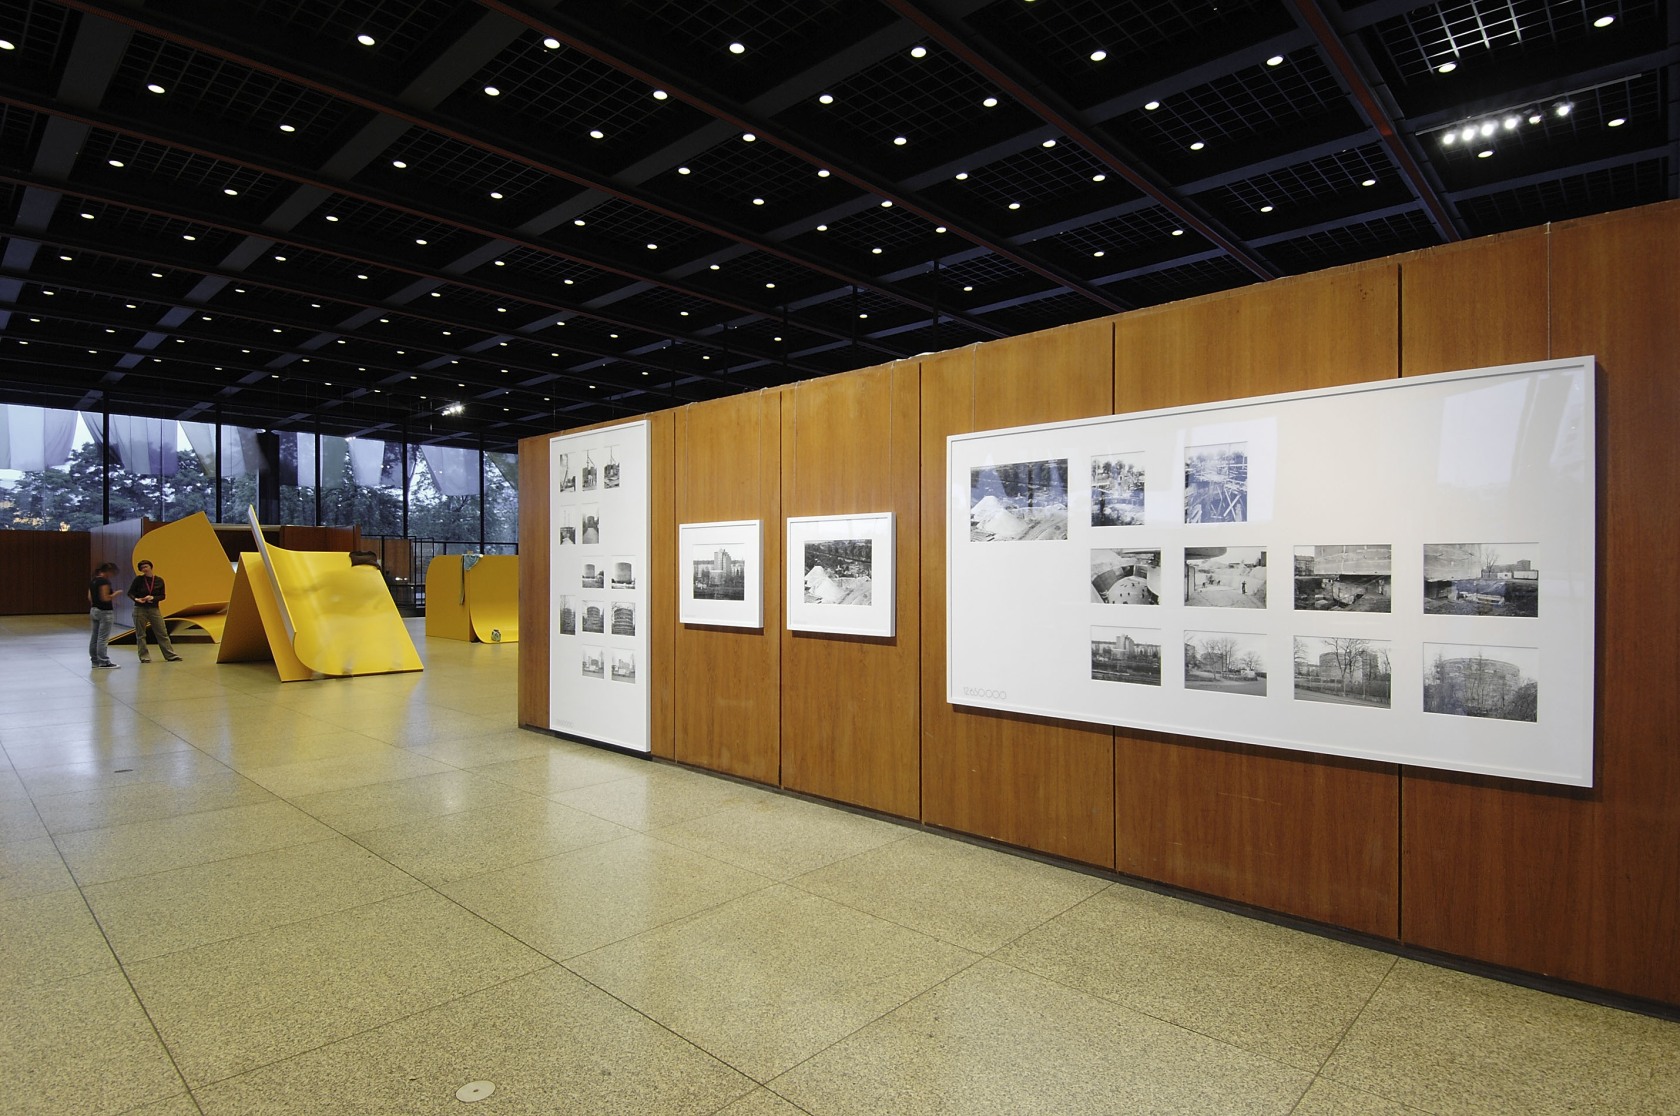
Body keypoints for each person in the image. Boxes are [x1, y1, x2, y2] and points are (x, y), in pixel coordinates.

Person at [127, 559, 183, 663]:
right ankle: (144, 656)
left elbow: (162, 596)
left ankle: (170, 655)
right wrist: (136, 599)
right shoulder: (138, 580)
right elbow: (130, 593)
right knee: (141, 634)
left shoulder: (159, 580)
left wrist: (152, 598)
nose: (145, 569)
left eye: (146, 567)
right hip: (140, 609)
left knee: (162, 632)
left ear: (151, 567)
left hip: (154, 608)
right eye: (142, 568)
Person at [88, 562, 122, 669]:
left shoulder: (93, 580)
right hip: (105, 612)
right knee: (103, 638)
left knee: (95, 636)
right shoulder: (104, 581)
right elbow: (105, 597)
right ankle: (104, 661)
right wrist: (115, 594)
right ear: (108, 571)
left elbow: (90, 597)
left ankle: (95, 660)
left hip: (94, 610)